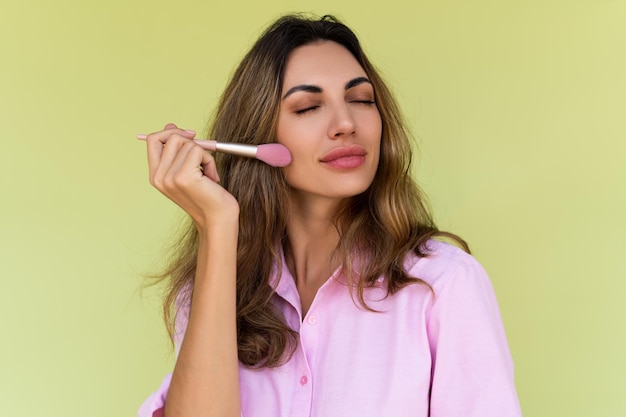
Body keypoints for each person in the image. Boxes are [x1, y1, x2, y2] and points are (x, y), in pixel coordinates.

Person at [138, 14, 522, 417]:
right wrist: (217, 227)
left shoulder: (443, 285)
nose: (345, 124)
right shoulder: (215, 286)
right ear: (256, 135)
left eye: (361, 100)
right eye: (308, 107)